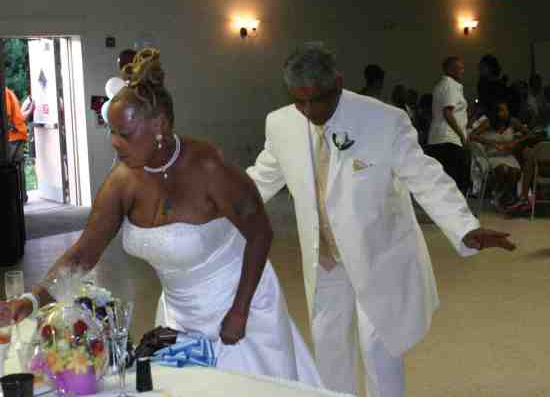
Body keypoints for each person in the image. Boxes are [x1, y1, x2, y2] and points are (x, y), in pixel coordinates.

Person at [0, 49, 321, 385]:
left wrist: (240, 310)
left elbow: (260, 234)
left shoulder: (209, 167)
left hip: (242, 303)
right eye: (111, 132)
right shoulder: (122, 182)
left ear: (160, 126)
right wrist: (31, 300)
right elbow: (83, 254)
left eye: (125, 133)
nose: (115, 143)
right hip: (178, 314)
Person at [246, 43, 515, 397]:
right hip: (324, 260)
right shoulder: (281, 124)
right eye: (300, 101)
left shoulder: (384, 120)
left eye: (317, 100)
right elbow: (260, 179)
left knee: (378, 350)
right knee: (329, 347)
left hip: (378, 255)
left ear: (338, 83)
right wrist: (210, 205)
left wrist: (465, 226)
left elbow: (424, 175)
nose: (309, 111)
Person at [470, 101, 531, 209]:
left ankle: (504, 197)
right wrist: (492, 143)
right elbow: (472, 136)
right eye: (502, 110)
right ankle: (499, 196)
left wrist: (515, 142)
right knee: (502, 169)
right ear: (496, 113)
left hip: (508, 156)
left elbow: (529, 134)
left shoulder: (512, 122)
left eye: (506, 110)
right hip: (492, 155)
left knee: (514, 172)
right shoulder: (488, 123)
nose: (506, 112)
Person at [427, 57, 470, 195]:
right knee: (451, 181)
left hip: (439, 138)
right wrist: (462, 135)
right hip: (449, 139)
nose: (462, 71)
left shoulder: (441, 84)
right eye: (460, 68)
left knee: (441, 181)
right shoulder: (450, 85)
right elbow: (448, 112)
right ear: (450, 69)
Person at [4, 87, 34, 203]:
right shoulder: (8, 92)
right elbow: (14, 117)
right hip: (16, 136)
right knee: (17, 169)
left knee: (13, 169)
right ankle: (21, 198)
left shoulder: (5, 93)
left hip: (14, 137)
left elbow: (8, 117)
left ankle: (16, 199)